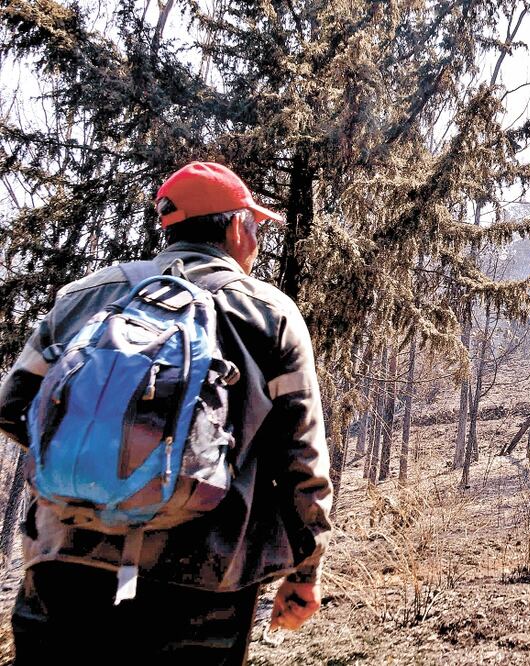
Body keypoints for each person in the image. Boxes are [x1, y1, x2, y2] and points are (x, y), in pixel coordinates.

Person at [0, 161, 333, 665]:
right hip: (203, 579)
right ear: (236, 226)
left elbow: (13, 407)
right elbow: (301, 461)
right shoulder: (269, 313)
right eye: (254, 225)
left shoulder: (85, 296)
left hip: (63, 560)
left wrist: (97, 468)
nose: (257, 238)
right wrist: (304, 572)